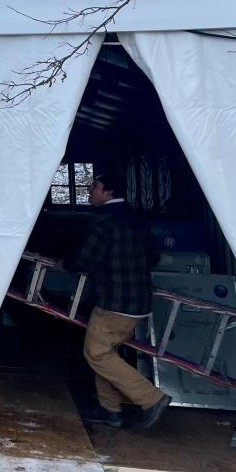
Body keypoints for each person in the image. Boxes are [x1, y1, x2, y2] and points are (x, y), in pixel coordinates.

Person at [64, 171, 172, 430]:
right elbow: (153, 258)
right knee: (107, 353)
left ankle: (151, 398)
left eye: (95, 187)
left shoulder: (103, 222)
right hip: (139, 302)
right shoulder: (137, 220)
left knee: (97, 353)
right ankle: (110, 411)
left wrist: (64, 263)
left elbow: (85, 260)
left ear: (108, 193)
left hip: (114, 303)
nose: (90, 191)